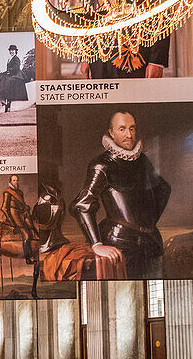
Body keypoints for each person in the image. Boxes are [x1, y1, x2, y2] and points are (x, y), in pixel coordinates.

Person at [70, 110, 171, 279]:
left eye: (132, 129)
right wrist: (96, 244)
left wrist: (147, 222)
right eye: (122, 129)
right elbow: (82, 205)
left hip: (152, 244)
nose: (129, 135)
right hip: (119, 245)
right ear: (112, 132)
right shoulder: (102, 165)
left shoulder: (143, 160)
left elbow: (163, 189)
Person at [1, 174, 34, 264]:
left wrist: (26, 208)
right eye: (14, 180)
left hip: (22, 213)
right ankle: (27, 259)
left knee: (33, 228)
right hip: (13, 214)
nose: (16, 182)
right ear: (10, 181)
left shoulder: (20, 192)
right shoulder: (7, 192)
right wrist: (12, 222)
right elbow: (4, 208)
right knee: (26, 235)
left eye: (17, 180)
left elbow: (22, 204)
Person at [0, 44, 28, 112]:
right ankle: (0, 96)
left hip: (16, 74)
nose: (11, 51)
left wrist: (9, 71)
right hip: (11, 73)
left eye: (13, 50)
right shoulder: (9, 59)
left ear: (16, 51)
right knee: (0, 76)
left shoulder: (16, 58)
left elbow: (16, 68)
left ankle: (6, 99)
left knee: (7, 80)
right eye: (10, 50)